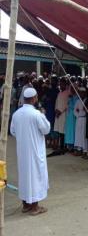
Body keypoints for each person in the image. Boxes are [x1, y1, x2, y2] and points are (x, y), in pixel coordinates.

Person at [10, 88, 51, 216]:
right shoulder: (36, 114)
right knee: (35, 177)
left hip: (22, 151)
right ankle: (34, 207)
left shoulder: (17, 114)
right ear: (34, 98)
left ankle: (25, 205)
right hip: (35, 151)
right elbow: (46, 130)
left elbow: (13, 132)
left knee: (24, 176)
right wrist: (43, 114)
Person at [73, 87, 88, 156]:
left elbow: (85, 111)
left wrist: (81, 112)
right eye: (80, 92)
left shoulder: (87, 100)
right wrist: (78, 115)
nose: (81, 94)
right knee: (78, 134)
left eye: (82, 92)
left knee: (84, 134)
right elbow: (74, 110)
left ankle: (85, 150)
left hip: (85, 119)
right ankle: (79, 149)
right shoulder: (77, 101)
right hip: (79, 119)